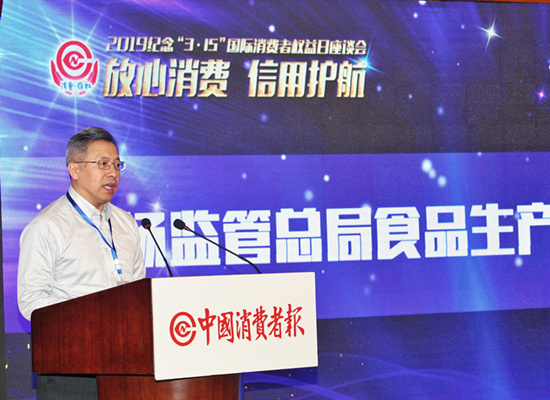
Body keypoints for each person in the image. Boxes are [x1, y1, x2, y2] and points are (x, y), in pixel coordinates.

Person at [17, 127, 145, 399]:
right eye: (102, 164)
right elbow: (31, 300)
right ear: (74, 169)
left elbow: (138, 290)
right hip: (72, 370)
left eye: (117, 164)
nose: (113, 173)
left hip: (127, 367)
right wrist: (90, 322)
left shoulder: (126, 223)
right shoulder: (47, 226)